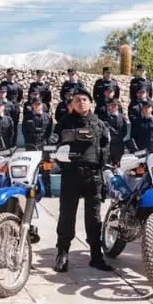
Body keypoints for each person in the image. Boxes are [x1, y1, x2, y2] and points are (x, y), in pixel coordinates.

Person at [51, 87, 111, 273]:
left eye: (84, 99)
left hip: (93, 175)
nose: (81, 102)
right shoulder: (64, 123)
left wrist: (103, 170)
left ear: (90, 103)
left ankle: (95, 255)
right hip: (71, 174)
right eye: (77, 99)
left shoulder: (99, 124)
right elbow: (55, 141)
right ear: (71, 104)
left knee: (94, 217)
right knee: (66, 215)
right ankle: (62, 254)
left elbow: (106, 148)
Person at [21, 99, 53, 196]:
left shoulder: (48, 117)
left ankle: (47, 190)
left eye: (39, 104)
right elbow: (24, 131)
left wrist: (46, 143)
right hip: (32, 145)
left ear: (42, 105)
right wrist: (29, 143)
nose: (38, 106)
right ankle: (30, 191)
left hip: (44, 145)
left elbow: (49, 131)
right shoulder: (27, 117)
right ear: (33, 106)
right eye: (36, 105)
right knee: (30, 169)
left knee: (46, 167)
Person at [100, 99, 128, 167]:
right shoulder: (105, 118)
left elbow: (125, 131)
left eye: (114, 105)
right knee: (107, 165)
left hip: (119, 145)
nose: (111, 107)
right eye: (110, 106)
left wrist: (119, 137)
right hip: (109, 145)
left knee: (118, 165)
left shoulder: (122, 117)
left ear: (117, 106)